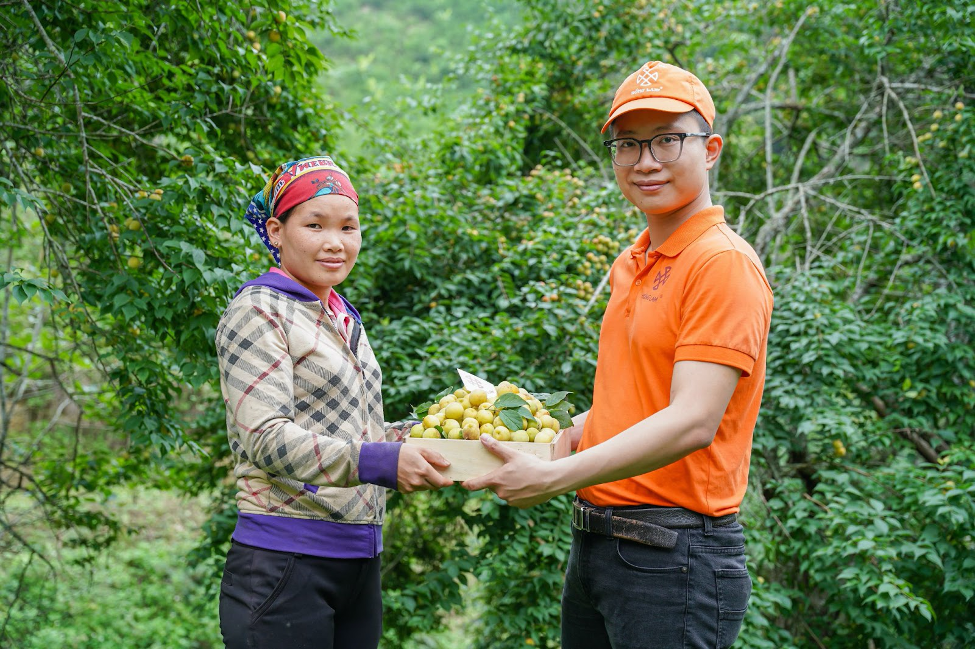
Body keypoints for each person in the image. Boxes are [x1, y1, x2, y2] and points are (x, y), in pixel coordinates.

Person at [463, 61, 774, 649]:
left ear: (710, 149)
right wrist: (558, 435)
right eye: (627, 144)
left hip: (674, 555)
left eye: (666, 139)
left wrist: (554, 476)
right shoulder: (634, 263)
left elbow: (692, 420)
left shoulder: (721, 263)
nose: (646, 161)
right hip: (600, 549)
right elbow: (634, 402)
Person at [215, 155, 453, 649]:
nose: (335, 242)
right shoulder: (258, 309)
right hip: (284, 563)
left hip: (358, 561)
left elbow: (360, 438)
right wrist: (382, 460)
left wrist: (436, 441)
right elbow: (264, 438)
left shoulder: (343, 316)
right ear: (277, 231)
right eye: (315, 224)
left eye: (348, 227)